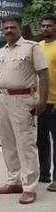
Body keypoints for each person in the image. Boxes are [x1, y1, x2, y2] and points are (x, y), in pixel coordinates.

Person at [0, 15, 49, 204]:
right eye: (5, 28)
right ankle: (14, 181)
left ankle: (29, 188)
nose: (9, 31)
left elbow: (43, 75)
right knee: (8, 143)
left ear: (19, 28)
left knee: (25, 144)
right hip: (3, 100)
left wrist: (42, 102)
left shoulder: (31, 47)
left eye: (12, 27)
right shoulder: (0, 52)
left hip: (23, 100)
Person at [38, 14, 56, 192]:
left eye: (49, 26)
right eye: (43, 26)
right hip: (41, 102)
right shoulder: (38, 47)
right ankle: (44, 174)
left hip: (55, 101)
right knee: (41, 140)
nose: (45, 29)